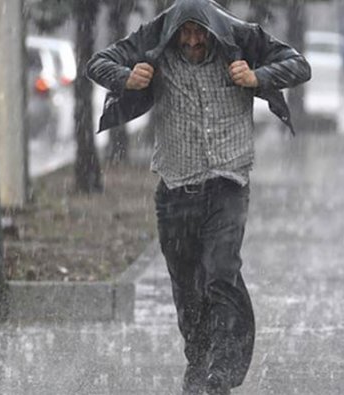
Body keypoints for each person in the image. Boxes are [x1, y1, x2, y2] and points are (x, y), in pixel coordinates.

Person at [86, 1, 310, 393]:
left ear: (212, 30)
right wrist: (127, 77)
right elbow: (98, 64)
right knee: (188, 289)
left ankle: (221, 374)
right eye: (184, 33)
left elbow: (299, 66)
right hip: (174, 190)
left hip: (228, 184)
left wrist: (257, 77)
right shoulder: (155, 38)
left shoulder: (240, 38)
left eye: (199, 32)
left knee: (221, 275)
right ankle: (199, 363)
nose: (191, 41)